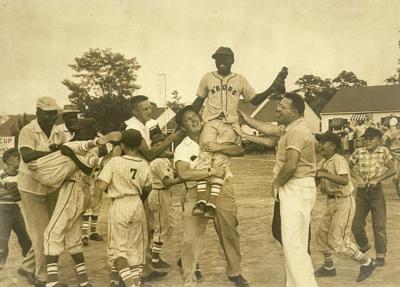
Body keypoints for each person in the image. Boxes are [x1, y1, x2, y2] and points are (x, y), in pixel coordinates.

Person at [191, 46, 288, 219]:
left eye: (224, 59)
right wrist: (185, 120)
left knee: (220, 161)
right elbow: (198, 101)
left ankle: (211, 204)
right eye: (217, 59)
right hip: (210, 121)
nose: (220, 62)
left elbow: (254, 100)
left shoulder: (239, 79)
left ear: (232, 60)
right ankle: (200, 202)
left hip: (230, 123)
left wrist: (272, 88)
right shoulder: (207, 77)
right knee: (204, 157)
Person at [238, 93, 318, 287]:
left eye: (283, 106)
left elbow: (291, 165)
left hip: (296, 187)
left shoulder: (297, 131)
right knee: (289, 241)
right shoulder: (288, 128)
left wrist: (276, 184)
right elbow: (269, 132)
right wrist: (247, 122)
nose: (278, 109)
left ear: (295, 111)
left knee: (294, 245)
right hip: (294, 187)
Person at [174, 105, 249, 287]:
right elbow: (183, 174)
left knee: (229, 229)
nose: (194, 120)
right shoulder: (183, 147)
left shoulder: (215, 132)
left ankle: (235, 271)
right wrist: (210, 171)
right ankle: (189, 279)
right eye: (188, 120)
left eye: (195, 116)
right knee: (191, 238)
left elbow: (239, 150)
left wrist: (218, 146)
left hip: (223, 188)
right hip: (194, 189)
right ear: (183, 127)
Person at [41, 118, 120, 287]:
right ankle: (83, 282)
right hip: (83, 193)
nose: (76, 133)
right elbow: (82, 155)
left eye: (79, 131)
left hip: (72, 190)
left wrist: (72, 154)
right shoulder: (80, 147)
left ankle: (51, 282)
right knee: (73, 238)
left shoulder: (79, 148)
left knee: (51, 234)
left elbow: (86, 166)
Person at [123, 95, 184, 282]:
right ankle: (137, 271)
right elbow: (149, 154)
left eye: (150, 107)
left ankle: (147, 267)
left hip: (142, 182)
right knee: (139, 229)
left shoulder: (143, 126)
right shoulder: (133, 128)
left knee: (147, 228)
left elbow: (152, 152)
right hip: (134, 184)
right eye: (145, 109)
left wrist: (178, 153)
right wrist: (172, 138)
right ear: (135, 112)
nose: (150, 111)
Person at [313, 132, 376, 282]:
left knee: (337, 240)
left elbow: (343, 180)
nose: (320, 145)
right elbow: (316, 179)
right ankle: (329, 267)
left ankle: (367, 262)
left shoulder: (338, 159)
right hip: (331, 202)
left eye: (323, 142)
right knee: (321, 236)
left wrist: (323, 175)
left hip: (344, 202)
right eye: (319, 142)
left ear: (333, 146)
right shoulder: (323, 162)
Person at [17, 96, 66, 287]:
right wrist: (54, 154)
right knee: (41, 233)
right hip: (30, 188)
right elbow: (27, 155)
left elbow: (67, 149)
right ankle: (42, 277)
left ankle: (28, 266)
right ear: (38, 113)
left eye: (54, 114)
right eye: (47, 114)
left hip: (50, 187)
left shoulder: (58, 131)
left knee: (50, 230)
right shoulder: (28, 130)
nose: (51, 118)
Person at [97, 129, 152, 287]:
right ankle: (134, 281)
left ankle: (131, 285)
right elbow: (148, 187)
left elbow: (101, 185)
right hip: (136, 203)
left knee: (118, 250)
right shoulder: (143, 164)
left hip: (120, 203)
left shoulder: (115, 161)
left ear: (122, 145)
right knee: (134, 248)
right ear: (139, 145)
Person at [349, 127, 396, 267]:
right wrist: (358, 179)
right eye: (366, 138)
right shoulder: (358, 151)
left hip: (376, 191)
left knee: (379, 225)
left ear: (379, 140)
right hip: (362, 192)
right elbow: (348, 166)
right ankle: (364, 246)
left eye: (371, 138)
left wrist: (378, 179)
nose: (368, 141)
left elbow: (393, 169)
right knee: (356, 225)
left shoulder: (383, 151)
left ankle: (380, 256)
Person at [148, 133, 183, 268]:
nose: (161, 148)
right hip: (159, 193)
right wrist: (184, 177)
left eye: (162, 144)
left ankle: (153, 253)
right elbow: (167, 182)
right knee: (162, 227)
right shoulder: (158, 161)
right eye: (157, 146)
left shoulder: (165, 160)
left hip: (164, 194)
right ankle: (155, 261)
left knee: (165, 225)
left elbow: (172, 173)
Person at [0, 148, 32, 270]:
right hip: (2, 209)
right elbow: (16, 192)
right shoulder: (2, 174)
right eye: (18, 159)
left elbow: (17, 194)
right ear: (10, 161)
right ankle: (0, 263)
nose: (21, 161)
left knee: (24, 235)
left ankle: (28, 260)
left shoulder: (21, 174)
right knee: (2, 237)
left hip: (15, 208)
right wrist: (19, 190)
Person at [383, 117, 400, 196]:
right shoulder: (389, 133)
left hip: (395, 154)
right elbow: (384, 142)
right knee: (396, 175)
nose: (392, 127)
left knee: (396, 174)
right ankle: (398, 186)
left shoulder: (389, 133)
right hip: (394, 155)